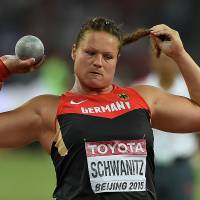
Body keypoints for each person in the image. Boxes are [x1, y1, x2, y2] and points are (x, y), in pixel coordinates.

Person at [1, 17, 200, 200]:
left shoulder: (143, 98)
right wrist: (4, 68)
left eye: (107, 56)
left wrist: (180, 55)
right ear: (74, 52)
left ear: (117, 59)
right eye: (90, 53)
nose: (98, 62)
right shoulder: (49, 109)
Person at [136, 52, 198, 200]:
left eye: (169, 60)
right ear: (153, 61)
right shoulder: (141, 89)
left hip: (180, 165)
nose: (166, 64)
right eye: (162, 60)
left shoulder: (190, 88)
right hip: (150, 166)